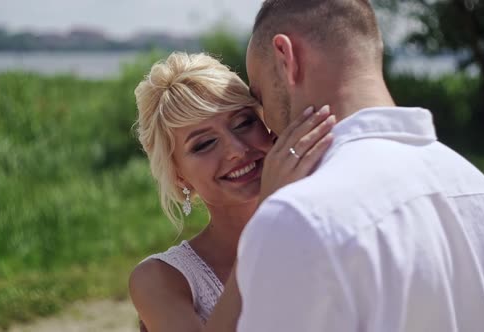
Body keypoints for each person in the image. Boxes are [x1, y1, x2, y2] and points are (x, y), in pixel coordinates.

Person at [217, 0, 484, 331]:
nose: (267, 126)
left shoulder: (298, 216)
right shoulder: (479, 191)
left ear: (285, 58)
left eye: (261, 97)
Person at [128, 52, 335, 331]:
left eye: (243, 123)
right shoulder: (160, 279)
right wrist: (265, 224)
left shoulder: (330, 229)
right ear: (179, 177)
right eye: (204, 144)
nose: (237, 150)